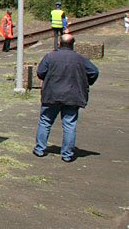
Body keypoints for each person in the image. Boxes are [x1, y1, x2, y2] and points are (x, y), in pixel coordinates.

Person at [33, 33, 99, 162]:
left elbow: (40, 72)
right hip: (73, 96)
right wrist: (87, 81)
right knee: (69, 125)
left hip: (51, 95)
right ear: (72, 44)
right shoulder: (80, 59)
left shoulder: (50, 57)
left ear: (59, 44)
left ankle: (40, 149)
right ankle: (67, 154)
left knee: (45, 122)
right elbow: (94, 72)